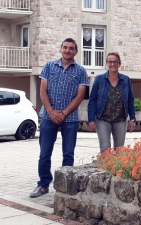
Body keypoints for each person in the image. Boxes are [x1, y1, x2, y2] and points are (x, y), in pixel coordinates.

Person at [30, 38, 89, 198]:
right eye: (65, 47)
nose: (67, 51)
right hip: (48, 118)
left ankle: (65, 187)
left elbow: (80, 96)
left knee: (68, 154)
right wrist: (51, 111)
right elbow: (43, 91)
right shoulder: (49, 66)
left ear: (76, 52)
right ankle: (43, 185)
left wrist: (63, 113)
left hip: (70, 120)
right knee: (44, 153)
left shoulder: (81, 71)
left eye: (71, 48)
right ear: (61, 49)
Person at [88, 52, 135, 153]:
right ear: (106, 63)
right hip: (102, 118)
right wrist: (91, 120)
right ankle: (104, 169)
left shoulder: (126, 80)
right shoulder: (99, 79)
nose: (112, 64)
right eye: (110, 61)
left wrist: (132, 119)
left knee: (119, 150)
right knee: (105, 149)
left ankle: (116, 169)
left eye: (115, 61)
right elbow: (92, 100)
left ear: (119, 64)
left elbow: (130, 100)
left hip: (120, 119)